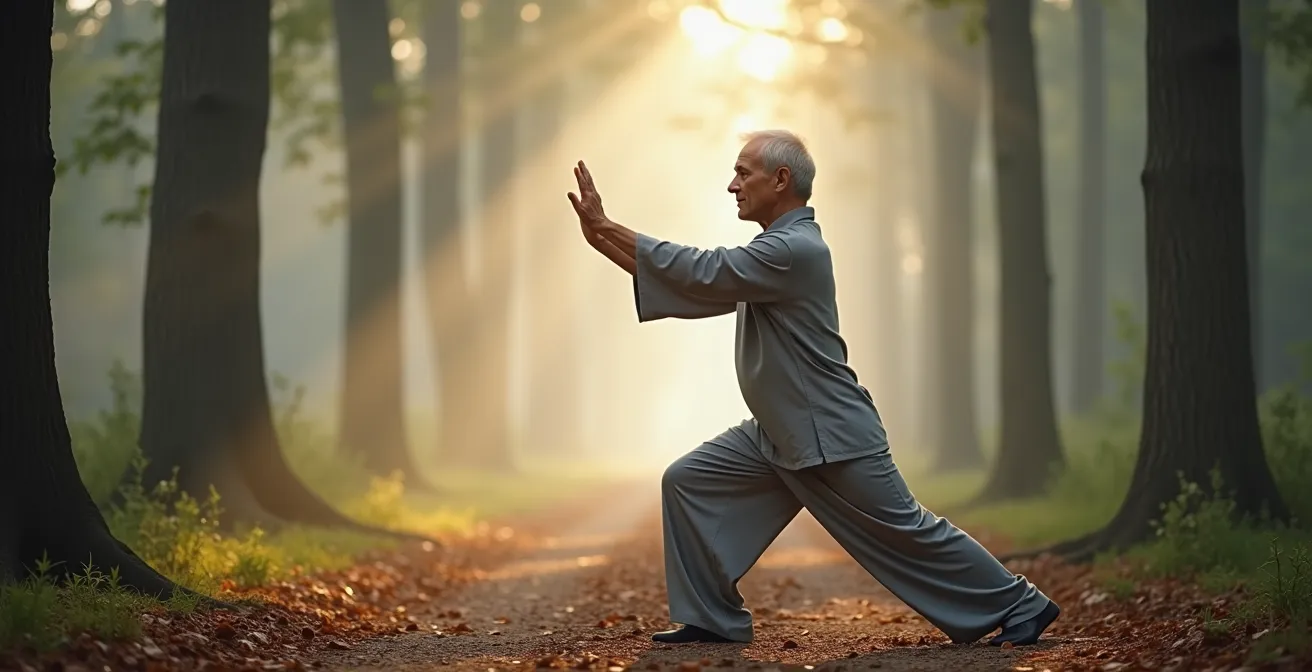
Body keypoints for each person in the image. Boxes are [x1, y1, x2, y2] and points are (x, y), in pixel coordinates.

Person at [566, 130, 1061, 647]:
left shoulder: (794, 250)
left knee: (909, 531)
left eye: (742, 173)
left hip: (829, 432)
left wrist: (607, 226)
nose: (731, 185)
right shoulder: (773, 252)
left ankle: (1023, 603)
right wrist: (602, 239)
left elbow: (705, 270)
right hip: (778, 433)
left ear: (781, 180)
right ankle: (711, 618)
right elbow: (699, 286)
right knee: (689, 481)